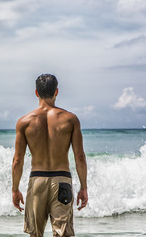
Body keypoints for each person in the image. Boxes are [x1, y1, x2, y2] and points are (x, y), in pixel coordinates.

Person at [12, 74, 88, 237]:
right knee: (63, 234)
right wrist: (84, 187)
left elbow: (18, 160)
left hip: (37, 182)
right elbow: (79, 156)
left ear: (36, 92)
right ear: (57, 91)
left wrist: (15, 189)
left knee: (35, 234)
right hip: (62, 182)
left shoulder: (24, 122)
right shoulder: (70, 119)